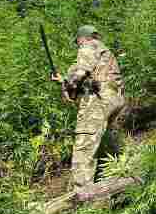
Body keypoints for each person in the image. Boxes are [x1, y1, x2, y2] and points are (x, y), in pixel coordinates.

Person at [50, 25, 125, 198]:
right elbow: (89, 76)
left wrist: (69, 85)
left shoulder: (88, 46)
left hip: (97, 101)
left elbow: (81, 73)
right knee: (104, 140)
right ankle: (120, 175)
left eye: (78, 42)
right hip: (114, 99)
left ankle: (83, 194)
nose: (78, 45)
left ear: (82, 38)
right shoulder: (105, 52)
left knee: (84, 144)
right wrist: (63, 80)